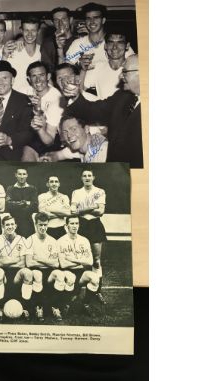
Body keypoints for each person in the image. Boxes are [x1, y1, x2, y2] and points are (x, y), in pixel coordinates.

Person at [63, 54, 143, 168]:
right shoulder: (123, 96)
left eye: (125, 71)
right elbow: (94, 111)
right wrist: (74, 96)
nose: (120, 76)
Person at [71, 169, 107, 303]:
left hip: (95, 226)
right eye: (84, 176)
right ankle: (76, 291)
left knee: (96, 261)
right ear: (81, 178)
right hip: (81, 226)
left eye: (89, 175)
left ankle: (97, 291)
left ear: (93, 177)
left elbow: (101, 212)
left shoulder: (100, 191)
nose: (87, 177)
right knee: (79, 259)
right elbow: (74, 211)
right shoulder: (76, 192)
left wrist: (82, 209)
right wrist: (93, 206)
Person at [55, 215, 100, 317]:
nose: (75, 226)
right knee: (71, 278)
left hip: (81, 272)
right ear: (66, 226)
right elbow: (63, 264)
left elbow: (90, 262)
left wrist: (73, 259)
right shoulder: (60, 241)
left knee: (95, 278)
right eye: (72, 223)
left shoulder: (84, 240)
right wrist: (81, 261)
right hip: (67, 273)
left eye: (77, 223)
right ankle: (65, 304)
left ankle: (85, 304)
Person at [21, 61, 66, 162]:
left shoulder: (56, 98)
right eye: (34, 76)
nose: (38, 80)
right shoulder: (24, 91)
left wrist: (38, 108)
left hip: (51, 136)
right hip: (29, 134)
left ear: (48, 76)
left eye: (41, 75)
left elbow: (49, 138)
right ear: (29, 79)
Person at [65, 2, 134, 67]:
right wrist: (79, 64)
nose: (92, 22)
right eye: (88, 18)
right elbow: (67, 67)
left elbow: (134, 64)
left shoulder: (116, 42)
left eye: (96, 18)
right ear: (85, 22)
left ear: (103, 20)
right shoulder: (78, 43)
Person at [0, 216, 31, 322]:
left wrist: (5, 260)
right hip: (3, 272)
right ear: (2, 226)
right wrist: (14, 260)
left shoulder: (22, 240)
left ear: (16, 226)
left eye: (12, 224)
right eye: (7, 224)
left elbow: (23, 263)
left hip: (17, 272)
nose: (10, 227)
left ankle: (25, 307)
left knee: (27, 272)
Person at [24, 213, 60, 321]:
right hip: (35, 270)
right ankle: (39, 308)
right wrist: (47, 262)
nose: (43, 227)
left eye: (45, 225)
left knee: (60, 275)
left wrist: (38, 259)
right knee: (38, 275)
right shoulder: (29, 240)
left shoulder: (53, 241)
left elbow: (56, 264)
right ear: (35, 224)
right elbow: (29, 263)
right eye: (40, 225)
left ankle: (55, 307)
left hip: (50, 271)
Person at [79, 32, 131, 101]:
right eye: (111, 42)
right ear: (105, 46)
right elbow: (79, 92)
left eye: (120, 42)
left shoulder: (134, 68)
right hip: (104, 110)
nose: (114, 47)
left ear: (127, 46)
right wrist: (83, 70)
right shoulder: (97, 67)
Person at [5, 17, 42, 94]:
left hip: (36, 97)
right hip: (16, 96)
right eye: (26, 30)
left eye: (33, 30)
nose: (30, 34)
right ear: (21, 31)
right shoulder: (12, 50)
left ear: (38, 31)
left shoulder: (42, 50)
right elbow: (2, 71)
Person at [40, 7, 77, 73]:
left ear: (70, 20)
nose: (60, 23)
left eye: (64, 19)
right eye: (56, 20)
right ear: (52, 22)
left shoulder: (79, 41)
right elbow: (47, 70)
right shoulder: (48, 43)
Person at [5, 168, 38, 238]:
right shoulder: (10, 189)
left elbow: (35, 205)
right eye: (19, 174)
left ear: (27, 175)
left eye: (24, 174)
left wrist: (18, 204)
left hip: (28, 222)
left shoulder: (32, 188)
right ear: (16, 175)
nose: (22, 176)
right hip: (14, 222)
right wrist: (25, 203)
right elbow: (8, 205)